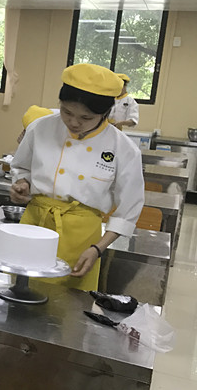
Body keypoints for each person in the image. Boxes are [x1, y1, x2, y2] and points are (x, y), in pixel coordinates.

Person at [10, 63, 145, 292]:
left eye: (86, 117)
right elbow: (21, 167)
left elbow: (128, 211)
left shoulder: (123, 148)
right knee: (20, 293)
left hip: (82, 240)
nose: (73, 122)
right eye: (67, 112)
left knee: (67, 304)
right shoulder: (40, 128)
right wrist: (22, 184)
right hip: (34, 226)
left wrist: (97, 249)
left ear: (105, 113)